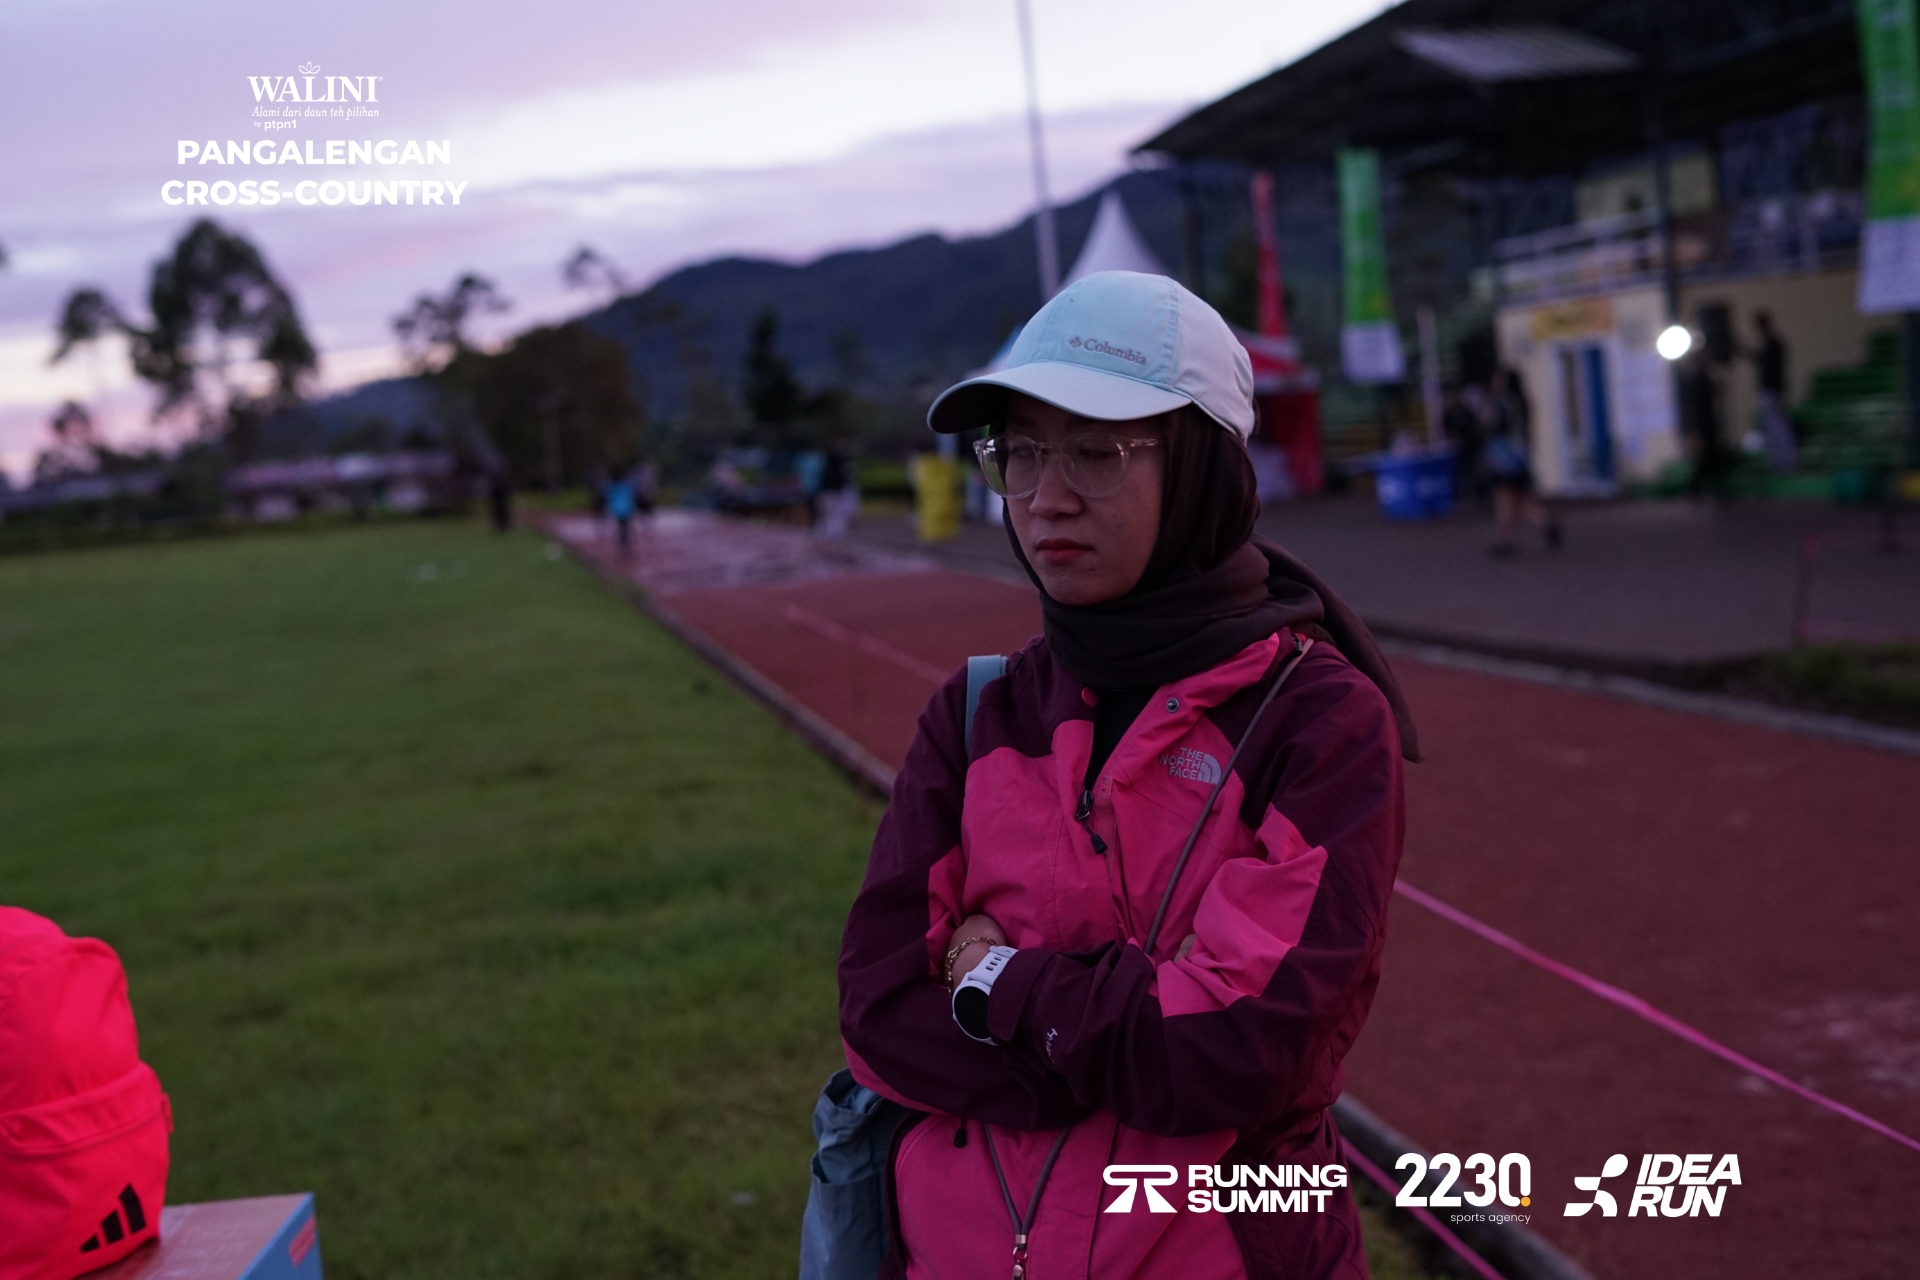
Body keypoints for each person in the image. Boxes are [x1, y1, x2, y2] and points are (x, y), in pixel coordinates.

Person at [836, 272, 1420, 1280]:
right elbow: (881, 1012)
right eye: (1020, 452)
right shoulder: (977, 713)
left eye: (1096, 451)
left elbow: (1238, 1050)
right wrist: (1120, 1038)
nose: (1045, 497)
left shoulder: (1316, 722)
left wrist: (990, 978)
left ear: (1200, 466)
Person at [1483, 367, 1561, 557]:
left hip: (1504, 460)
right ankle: (1545, 523)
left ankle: (1505, 541)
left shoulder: (1501, 403)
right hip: (1519, 458)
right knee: (1520, 499)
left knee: (1504, 500)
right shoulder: (1521, 403)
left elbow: (1490, 423)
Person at [1750, 312, 1797, 471]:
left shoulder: (1774, 344)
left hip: (1773, 390)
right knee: (1770, 427)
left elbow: (1772, 367)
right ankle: (1779, 460)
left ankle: (1787, 460)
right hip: (1769, 390)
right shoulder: (1768, 345)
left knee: (1778, 426)